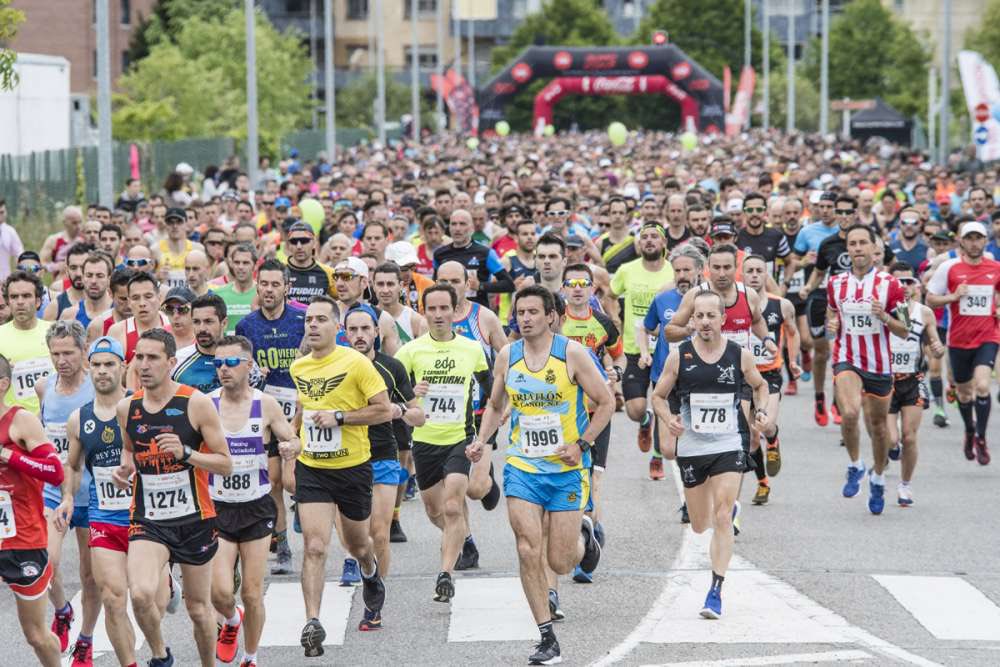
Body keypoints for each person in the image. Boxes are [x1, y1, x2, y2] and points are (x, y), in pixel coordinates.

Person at [467, 285, 611, 666]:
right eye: (521, 312)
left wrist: (582, 443)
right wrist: (482, 441)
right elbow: (497, 405)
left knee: (561, 562)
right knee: (527, 548)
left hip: (565, 469)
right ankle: (547, 637)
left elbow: (606, 402)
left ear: (551, 316)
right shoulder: (507, 356)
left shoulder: (572, 354)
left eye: (533, 312)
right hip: (523, 467)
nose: (525, 318)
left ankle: (584, 536)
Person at [112, 328, 233, 667]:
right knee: (139, 594)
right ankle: (160, 654)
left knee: (198, 608)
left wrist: (187, 453)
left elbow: (225, 464)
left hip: (194, 519)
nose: (145, 365)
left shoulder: (195, 403)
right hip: (148, 520)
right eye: (139, 357)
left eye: (153, 358)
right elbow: (128, 449)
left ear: (170, 362)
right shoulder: (127, 408)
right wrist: (124, 469)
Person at [651, 290, 771, 619]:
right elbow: (658, 396)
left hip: (728, 444)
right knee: (700, 524)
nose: (705, 322)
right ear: (693, 320)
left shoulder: (739, 355)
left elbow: (761, 385)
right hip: (692, 447)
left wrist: (760, 411)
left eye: (711, 316)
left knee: (721, 517)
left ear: (722, 319)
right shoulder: (680, 356)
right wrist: (668, 419)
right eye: (699, 316)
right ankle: (720, 511)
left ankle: (715, 590)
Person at [285, 295, 389, 647]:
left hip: (352, 467)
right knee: (314, 545)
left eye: (320, 320)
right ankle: (312, 621)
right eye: (308, 320)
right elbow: (304, 410)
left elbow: (383, 410)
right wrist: (293, 438)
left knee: (358, 544)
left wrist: (340, 417)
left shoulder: (355, 363)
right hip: (313, 468)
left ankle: (370, 571)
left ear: (336, 327)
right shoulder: (299, 367)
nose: (312, 325)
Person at [395, 284, 497, 603]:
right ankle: (463, 540)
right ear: (424, 312)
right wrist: (413, 391)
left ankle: (445, 574)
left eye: (444, 309)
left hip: (459, 438)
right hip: (424, 441)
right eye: (432, 309)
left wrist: (492, 418)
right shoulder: (412, 350)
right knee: (434, 509)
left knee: (453, 504)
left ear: (455, 311)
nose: (438, 315)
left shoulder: (470, 349)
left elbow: (490, 384)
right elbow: (390, 387)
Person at [208, 335, 298, 667]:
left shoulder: (265, 404)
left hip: (257, 507)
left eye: (231, 362)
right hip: (219, 507)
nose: (224, 369)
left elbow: (293, 437)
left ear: (249, 366)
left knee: (251, 590)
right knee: (219, 591)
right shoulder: (208, 404)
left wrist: (291, 450)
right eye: (218, 363)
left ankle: (251, 656)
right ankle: (231, 621)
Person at [63, 337, 143, 667]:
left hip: (146, 517)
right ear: (88, 367)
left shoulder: (141, 407)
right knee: (112, 597)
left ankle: (164, 584)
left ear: (123, 367)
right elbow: (73, 465)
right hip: (104, 515)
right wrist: (68, 496)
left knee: (147, 599)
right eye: (96, 365)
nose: (102, 371)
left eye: (109, 364)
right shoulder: (79, 419)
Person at [826, 225, 909, 514]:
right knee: (849, 413)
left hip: (879, 364)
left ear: (875, 248)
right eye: (853, 243)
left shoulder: (891, 284)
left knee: (878, 428)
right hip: (846, 358)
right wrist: (832, 325)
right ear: (847, 249)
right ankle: (854, 464)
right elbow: (832, 315)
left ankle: (877, 477)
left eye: (863, 243)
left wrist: (884, 316)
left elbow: (904, 329)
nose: (858, 248)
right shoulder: (836, 284)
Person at [342, 306, 425, 572]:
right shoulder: (334, 366)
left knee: (379, 533)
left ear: (377, 332)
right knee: (355, 536)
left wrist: (399, 411)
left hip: (382, 455)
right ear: (344, 333)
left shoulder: (391, 367)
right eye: (353, 329)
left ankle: (377, 596)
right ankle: (354, 559)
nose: (359, 335)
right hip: (343, 459)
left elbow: (418, 415)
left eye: (366, 328)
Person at [34, 320, 98, 660]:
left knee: (90, 577)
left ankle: (85, 640)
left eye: (69, 353)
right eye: (55, 353)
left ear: (83, 351)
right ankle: (62, 612)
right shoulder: (45, 387)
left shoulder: (96, 388)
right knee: (47, 561)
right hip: (53, 492)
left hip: (92, 495)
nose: (62, 360)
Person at [236, 260, 304, 574]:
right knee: (274, 482)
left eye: (276, 284)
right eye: (264, 284)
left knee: (291, 481)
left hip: (299, 411)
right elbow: (241, 368)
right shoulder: (247, 326)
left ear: (287, 288)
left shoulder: (302, 320)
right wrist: (253, 375)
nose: (269, 290)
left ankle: (306, 504)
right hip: (265, 414)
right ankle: (284, 545)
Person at [0, 352, 66, 667]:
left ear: (2, 385)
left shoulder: (20, 420)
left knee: (36, 635)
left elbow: (54, 471)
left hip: (22, 538)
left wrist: (8, 456)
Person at [926, 220, 1000, 465]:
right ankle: (969, 430)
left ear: (985, 241)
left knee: (982, 386)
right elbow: (931, 299)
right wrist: (953, 296)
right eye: (970, 238)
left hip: (988, 336)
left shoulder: (995, 267)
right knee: (964, 393)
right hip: (958, 339)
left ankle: (981, 436)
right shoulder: (949, 268)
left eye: (979, 238)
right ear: (961, 241)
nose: (974, 242)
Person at [610, 223, 675, 455]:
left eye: (654, 237)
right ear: (639, 244)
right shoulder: (627, 270)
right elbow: (610, 294)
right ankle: (645, 421)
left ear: (664, 242)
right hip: (633, 347)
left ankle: (657, 456)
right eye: (644, 237)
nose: (649, 240)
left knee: (662, 403)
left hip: (665, 349)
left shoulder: (673, 271)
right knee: (635, 410)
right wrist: (614, 320)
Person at [639, 244, 702, 483]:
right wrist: (648, 350)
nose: (682, 275)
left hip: (699, 378)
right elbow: (647, 327)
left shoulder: (708, 299)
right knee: (668, 449)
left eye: (687, 270)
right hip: (665, 375)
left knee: (695, 440)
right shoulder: (663, 298)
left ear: (698, 270)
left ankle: (692, 494)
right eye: (677, 270)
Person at [742, 255, 801, 505]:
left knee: (764, 425)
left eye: (759, 271)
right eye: (749, 271)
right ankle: (762, 483)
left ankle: (773, 437)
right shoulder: (736, 304)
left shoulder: (782, 305)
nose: (754, 275)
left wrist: (794, 360)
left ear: (767, 275)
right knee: (751, 437)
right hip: (745, 374)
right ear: (742, 276)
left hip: (769, 375)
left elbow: (793, 333)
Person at [885, 262, 945, 507]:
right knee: (891, 440)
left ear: (916, 285)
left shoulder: (924, 312)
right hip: (886, 382)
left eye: (909, 282)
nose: (904, 286)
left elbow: (936, 347)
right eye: (899, 282)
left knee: (909, 437)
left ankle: (905, 485)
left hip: (913, 379)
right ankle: (890, 448)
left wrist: (938, 350)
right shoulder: (881, 311)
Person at [793, 192, 841, 426]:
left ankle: (840, 401)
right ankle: (820, 397)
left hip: (844, 296)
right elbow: (794, 259)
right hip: (818, 296)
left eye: (829, 206)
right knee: (821, 351)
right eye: (821, 206)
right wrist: (805, 262)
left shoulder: (847, 234)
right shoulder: (807, 232)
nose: (825, 210)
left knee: (843, 351)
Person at [433, 209, 514, 307]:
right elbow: (434, 285)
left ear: (471, 228)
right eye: (453, 224)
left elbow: (509, 284)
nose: (457, 228)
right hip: (449, 312)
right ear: (449, 227)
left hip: (477, 313)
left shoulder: (485, 253)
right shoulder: (439, 254)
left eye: (462, 224)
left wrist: (480, 286)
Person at [1, 271, 55, 414]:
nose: (20, 302)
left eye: (26, 296)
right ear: (8, 301)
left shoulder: (55, 331)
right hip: (10, 423)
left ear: (38, 301)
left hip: (51, 420)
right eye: (14, 297)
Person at [107, 272, 170, 370]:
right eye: (135, 298)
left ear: (159, 298)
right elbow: (111, 375)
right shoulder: (117, 332)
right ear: (129, 302)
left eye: (148, 296)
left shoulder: (172, 326)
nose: (142, 303)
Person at [172, 293, 227, 395]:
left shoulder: (239, 359)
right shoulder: (177, 361)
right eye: (196, 322)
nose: (201, 328)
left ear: (224, 323)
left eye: (208, 321)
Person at [371, 262, 427, 345]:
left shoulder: (414, 320)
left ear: (400, 286)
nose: (385, 290)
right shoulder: (368, 317)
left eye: (390, 284)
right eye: (380, 284)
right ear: (374, 286)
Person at [284, 221, 338, 305]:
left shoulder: (328, 272)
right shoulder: (279, 270)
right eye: (294, 241)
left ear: (314, 243)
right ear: (288, 245)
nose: (299, 246)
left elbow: (343, 301)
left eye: (304, 241)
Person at [60, 252, 113, 330]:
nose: (93, 281)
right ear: (82, 278)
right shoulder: (70, 315)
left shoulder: (119, 312)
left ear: (109, 279)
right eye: (89, 275)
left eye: (100, 276)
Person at [214, 243, 258, 335]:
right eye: (237, 262)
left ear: (255, 265)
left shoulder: (263, 293)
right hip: (225, 347)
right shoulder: (218, 294)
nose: (240, 267)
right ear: (231, 264)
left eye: (245, 263)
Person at [157, 208, 204, 289]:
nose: (175, 226)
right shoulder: (155, 249)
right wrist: (157, 276)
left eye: (179, 222)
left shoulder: (198, 248)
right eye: (170, 222)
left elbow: (207, 278)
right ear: (165, 225)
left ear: (186, 224)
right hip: (166, 298)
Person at [44, 242, 92, 321]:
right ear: (67, 270)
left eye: (83, 267)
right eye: (73, 268)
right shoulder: (55, 306)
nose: (78, 273)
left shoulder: (104, 301)